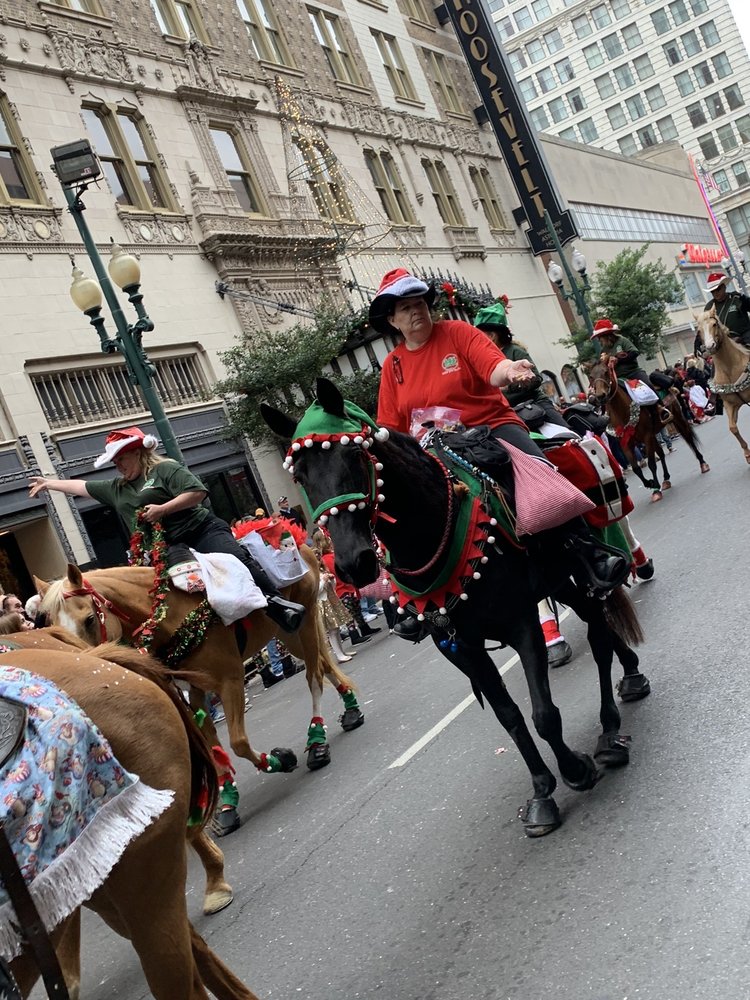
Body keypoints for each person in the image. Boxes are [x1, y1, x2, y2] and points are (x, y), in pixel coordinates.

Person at [370, 268, 629, 639]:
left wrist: (512, 370)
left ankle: (588, 551)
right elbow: (391, 428)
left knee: (537, 472)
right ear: (391, 320)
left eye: (420, 303)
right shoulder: (392, 366)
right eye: (406, 308)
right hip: (434, 451)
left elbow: (494, 367)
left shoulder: (458, 333)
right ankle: (410, 601)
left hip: (489, 429)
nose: (417, 311)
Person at [28, 426, 305, 634]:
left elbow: (197, 492)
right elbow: (80, 487)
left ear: (137, 452)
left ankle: (277, 603)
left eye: (121, 459)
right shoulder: (116, 489)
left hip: (199, 529)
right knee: (173, 584)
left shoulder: (164, 470)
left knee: (233, 557)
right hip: (167, 545)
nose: (118, 466)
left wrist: (163, 509)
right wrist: (49, 484)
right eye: (114, 463)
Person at [473, 300, 568, 428]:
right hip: (507, 414)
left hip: (534, 404)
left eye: (480, 335)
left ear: (492, 336)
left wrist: (508, 387)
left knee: (568, 435)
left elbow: (536, 379)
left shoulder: (515, 351)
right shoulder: (481, 359)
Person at [702, 271, 750, 348]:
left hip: (744, 336)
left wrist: (744, 299)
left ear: (724, 287)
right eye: (712, 292)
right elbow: (705, 325)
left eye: (718, 289)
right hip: (722, 341)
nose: (715, 293)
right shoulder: (709, 307)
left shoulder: (737, 298)